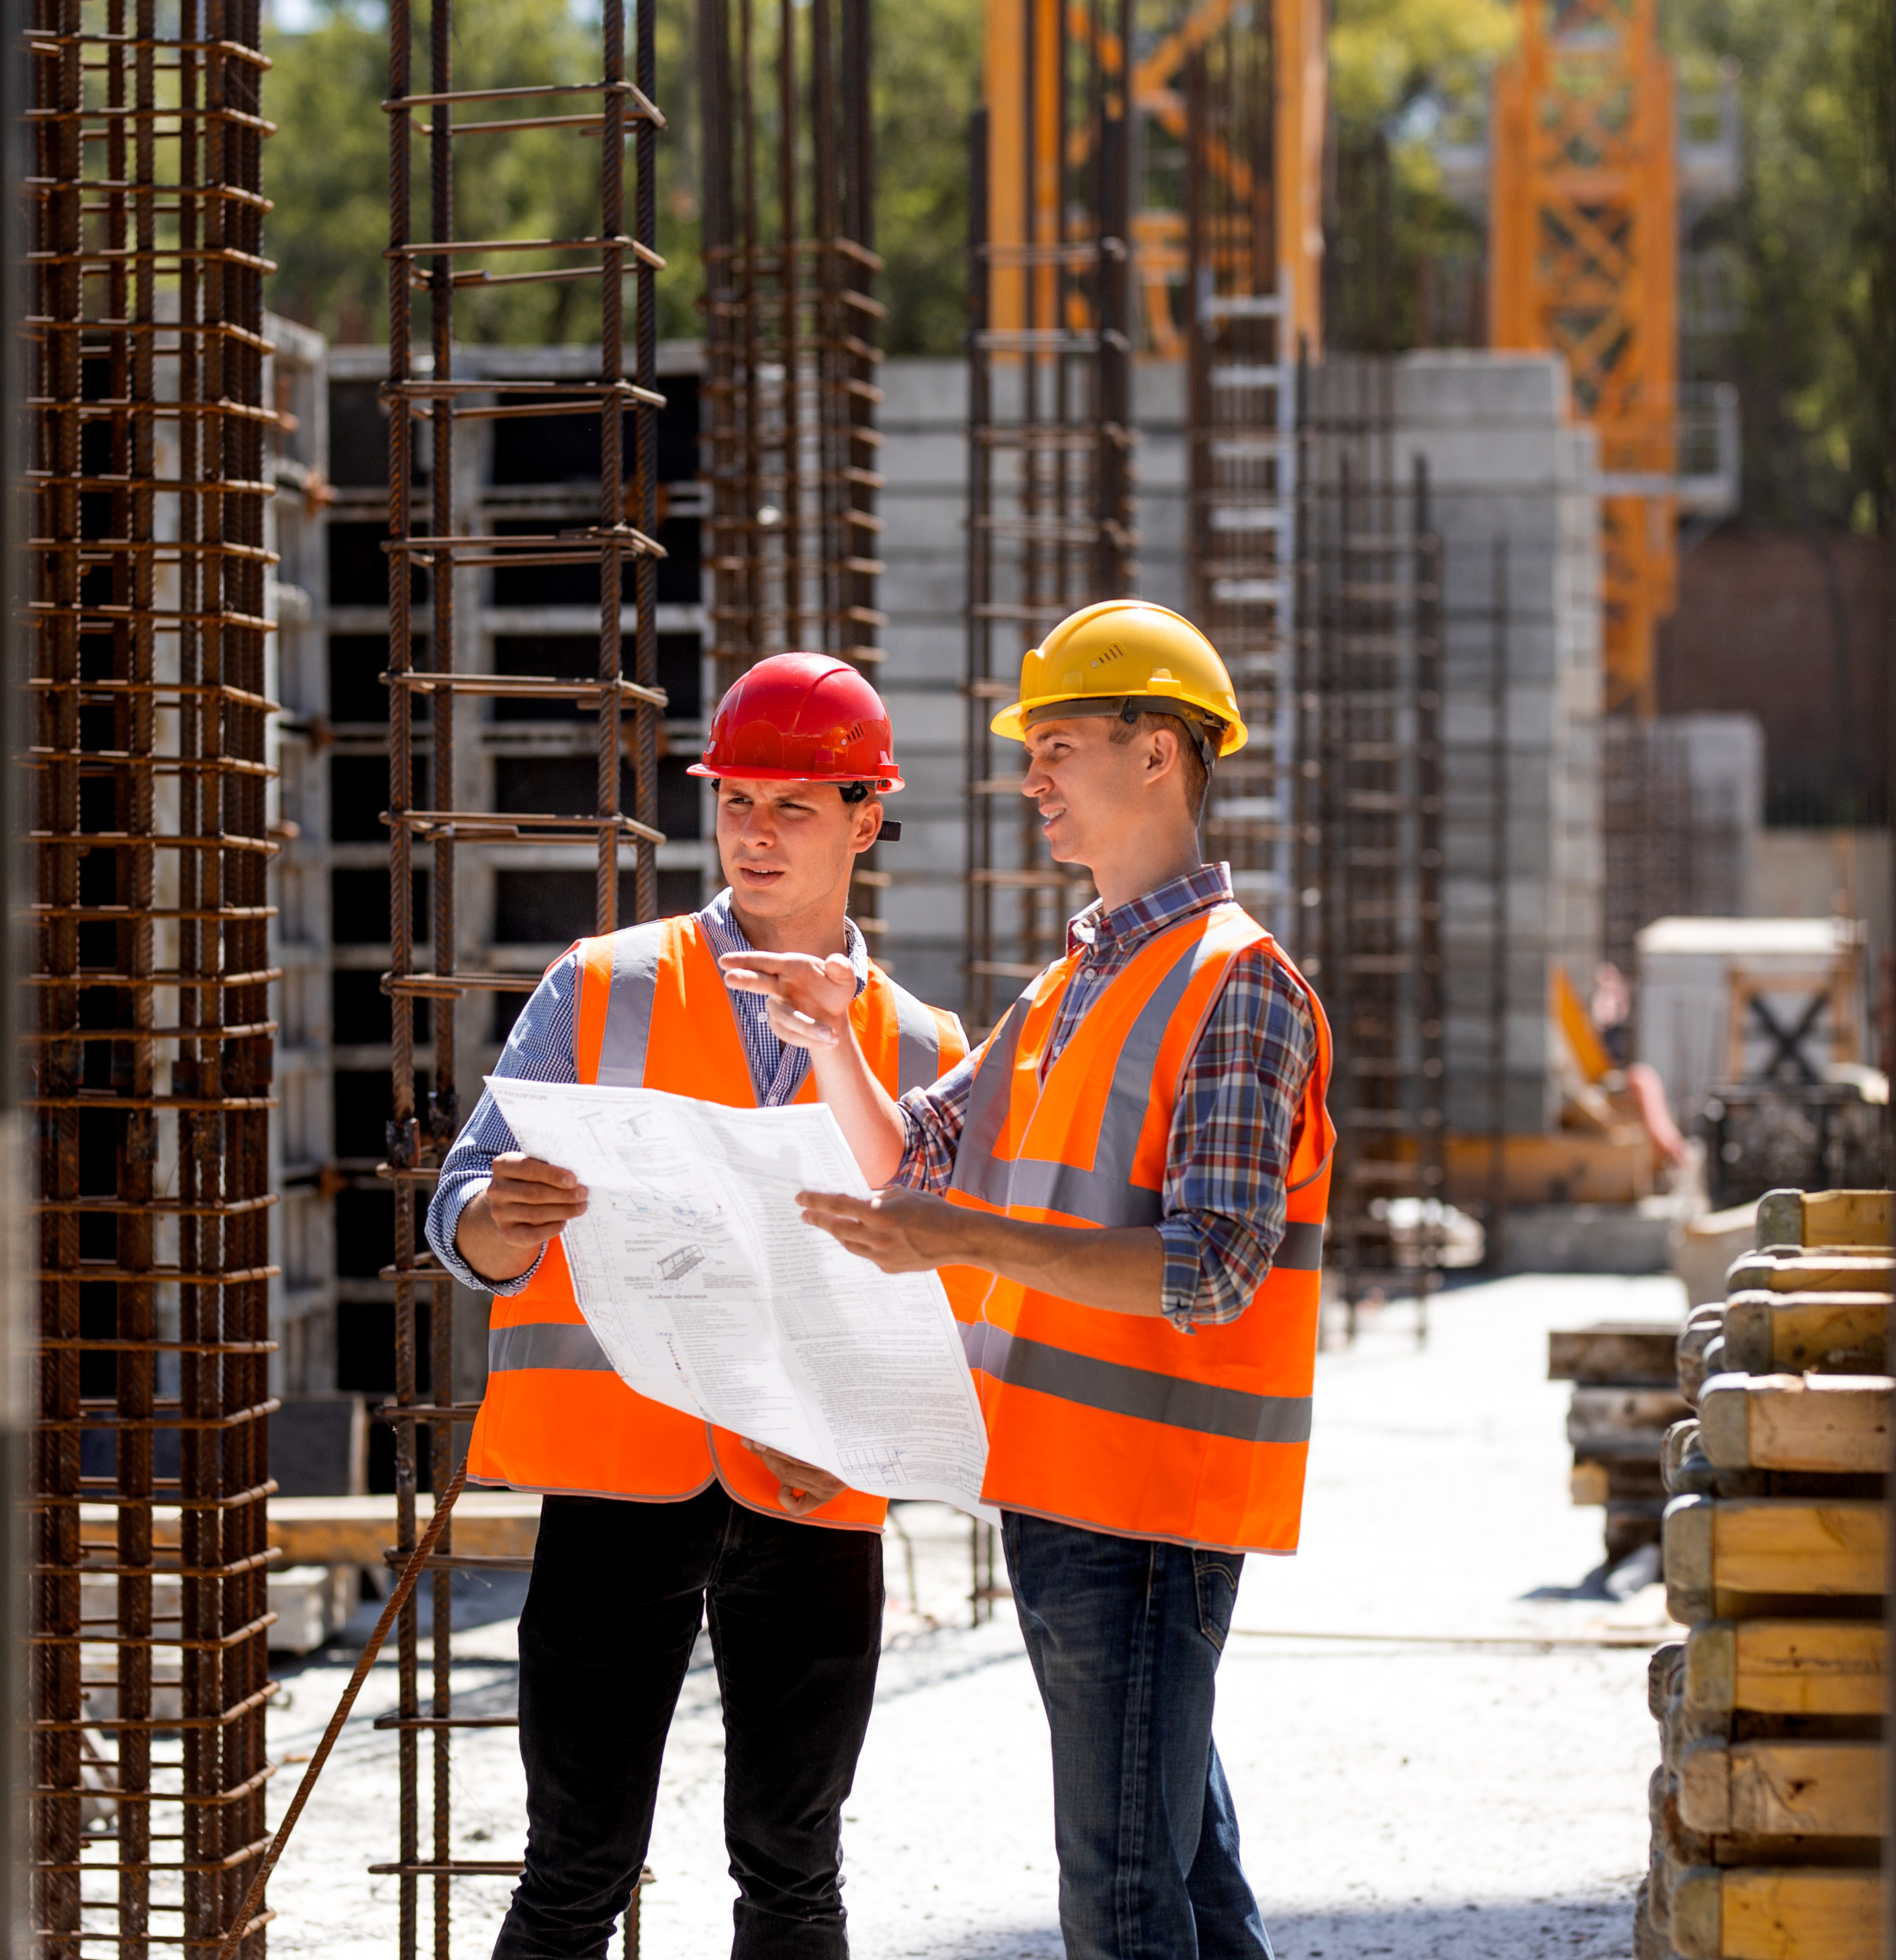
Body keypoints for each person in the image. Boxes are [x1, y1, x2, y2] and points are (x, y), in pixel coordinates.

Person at [733, 601, 1332, 1960]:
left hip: (1151, 1504)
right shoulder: (1079, 977)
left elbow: (1215, 1267)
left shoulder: (1239, 983)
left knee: (1121, 1900)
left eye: (1060, 743)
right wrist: (834, 1038)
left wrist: (970, 1245)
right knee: (1182, 1874)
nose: (1032, 775)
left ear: (1161, 753)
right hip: (1066, 1487)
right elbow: (922, 1161)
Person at [426, 651, 966, 1960]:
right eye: (737, 801)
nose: (756, 831)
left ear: (864, 817)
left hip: (813, 1496)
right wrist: (501, 1219)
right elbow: (462, 1212)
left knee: (796, 1878)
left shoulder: (919, 1046)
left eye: (794, 804)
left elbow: (951, 1287)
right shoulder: (600, 986)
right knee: (574, 1872)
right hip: (620, 1480)